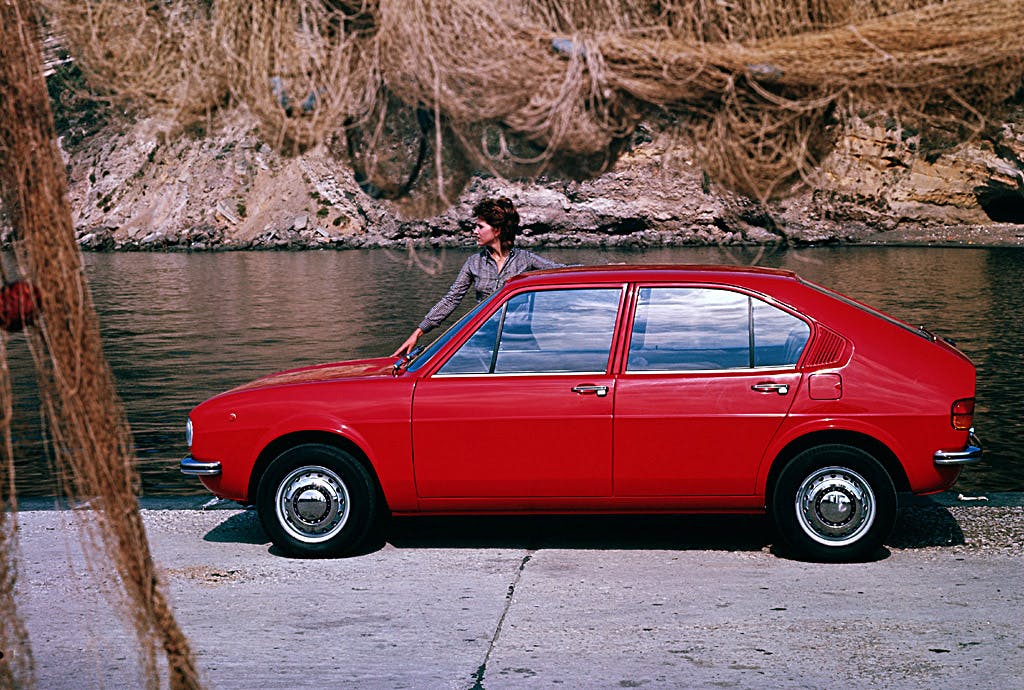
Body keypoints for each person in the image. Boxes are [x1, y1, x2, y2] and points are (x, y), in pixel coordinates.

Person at [393, 196, 566, 356]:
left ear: (497, 230)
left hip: (521, 345)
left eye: (480, 227)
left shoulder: (525, 260)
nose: (475, 231)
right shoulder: (473, 263)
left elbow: (563, 272)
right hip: (484, 345)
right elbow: (451, 299)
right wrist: (418, 332)